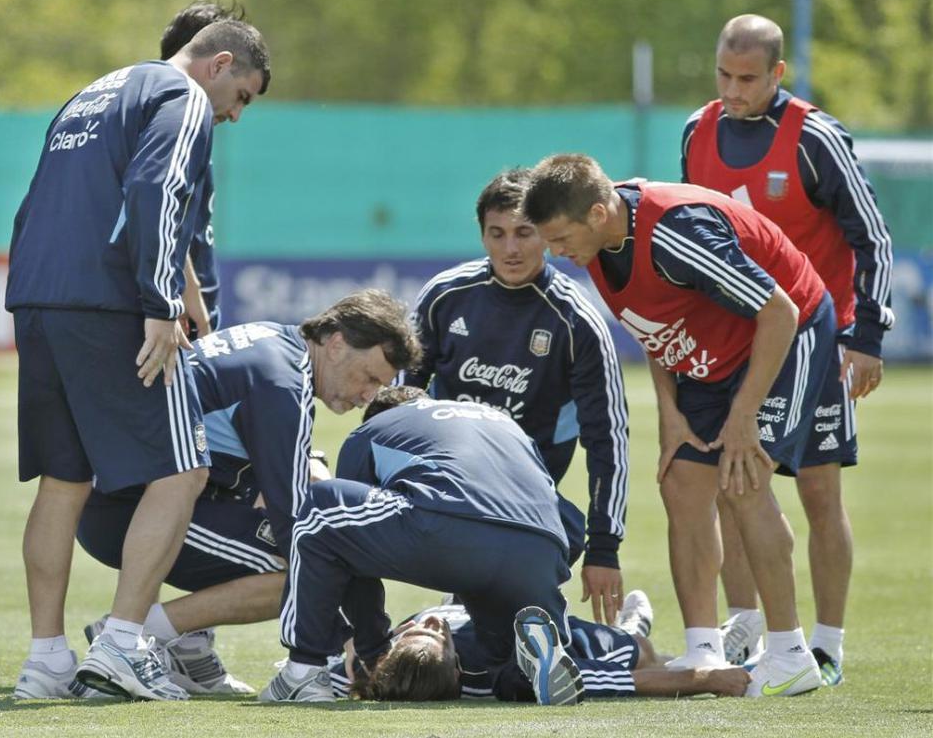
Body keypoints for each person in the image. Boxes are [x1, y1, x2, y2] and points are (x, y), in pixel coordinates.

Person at [5, 18, 272, 701]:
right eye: (242, 96)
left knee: (63, 481)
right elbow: (157, 188)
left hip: (37, 297)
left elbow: (36, 203)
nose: (235, 115)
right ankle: (125, 643)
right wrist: (160, 301)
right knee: (184, 468)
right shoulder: (182, 97)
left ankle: (45, 661)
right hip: (109, 302)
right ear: (219, 64)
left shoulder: (95, 92)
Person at [522, 153, 835, 698]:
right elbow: (655, 324)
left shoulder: (676, 233)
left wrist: (743, 417)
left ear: (597, 214)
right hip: (713, 348)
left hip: (788, 332)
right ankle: (703, 647)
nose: (554, 252)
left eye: (560, 238)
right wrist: (671, 414)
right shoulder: (598, 239)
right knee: (681, 482)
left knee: (742, 479)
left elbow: (779, 312)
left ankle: (791, 655)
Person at [681, 14, 895, 685]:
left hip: (817, 337)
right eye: (723, 74)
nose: (732, 90)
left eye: (747, 79)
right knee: (731, 479)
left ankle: (827, 644)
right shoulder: (696, 131)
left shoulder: (815, 138)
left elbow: (872, 238)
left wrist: (866, 337)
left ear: (777, 73)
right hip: (736, 341)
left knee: (818, 491)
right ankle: (746, 622)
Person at [72, 290, 419, 696]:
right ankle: (128, 637)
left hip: (122, 493)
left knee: (292, 539)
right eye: (370, 377)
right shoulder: (283, 383)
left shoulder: (275, 344)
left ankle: (180, 646)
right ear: (337, 344)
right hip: (125, 510)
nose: (368, 396)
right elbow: (295, 524)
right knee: (304, 568)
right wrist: (352, 638)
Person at [404, 169, 630, 624]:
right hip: (446, 487)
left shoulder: (577, 321)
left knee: (511, 610)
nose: (511, 248)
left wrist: (604, 548)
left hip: (526, 500)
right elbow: (398, 401)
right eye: (497, 233)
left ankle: (626, 634)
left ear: (545, 234)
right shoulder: (444, 297)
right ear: (482, 236)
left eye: (524, 233)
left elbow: (608, 439)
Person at [261, 385, 581, 704]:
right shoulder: (508, 427)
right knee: (502, 663)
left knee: (321, 509)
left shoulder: (372, 429)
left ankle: (303, 671)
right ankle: (525, 676)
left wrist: (373, 649)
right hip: (541, 548)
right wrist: (537, 577)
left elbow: (348, 552)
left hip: (449, 526)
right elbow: (573, 526)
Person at [338, 592, 749, 702]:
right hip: (552, 639)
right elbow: (620, 682)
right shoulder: (504, 675)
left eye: (413, 631)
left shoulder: (384, 665)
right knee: (640, 652)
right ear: (457, 669)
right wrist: (707, 678)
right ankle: (710, 651)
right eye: (435, 635)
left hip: (490, 606)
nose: (429, 622)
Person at [159, 0, 251, 338]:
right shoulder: (162, 131)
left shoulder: (193, 136)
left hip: (193, 320)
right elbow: (155, 213)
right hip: (176, 319)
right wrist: (177, 297)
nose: (236, 115)